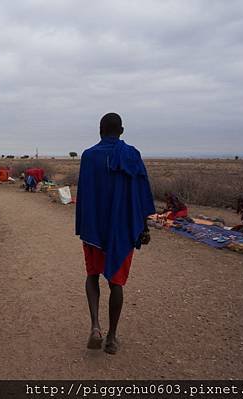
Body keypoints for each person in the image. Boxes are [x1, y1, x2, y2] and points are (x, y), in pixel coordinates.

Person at [76, 113, 155, 355]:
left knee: (92, 275)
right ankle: (111, 338)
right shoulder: (132, 155)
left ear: (100, 130)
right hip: (122, 229)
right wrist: (144, 227)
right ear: (121, 130)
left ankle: (95, 326)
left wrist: (83, 226)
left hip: (94, 229)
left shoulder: (89, 156)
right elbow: (141, 193)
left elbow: (84, 195)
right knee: (116, 283)